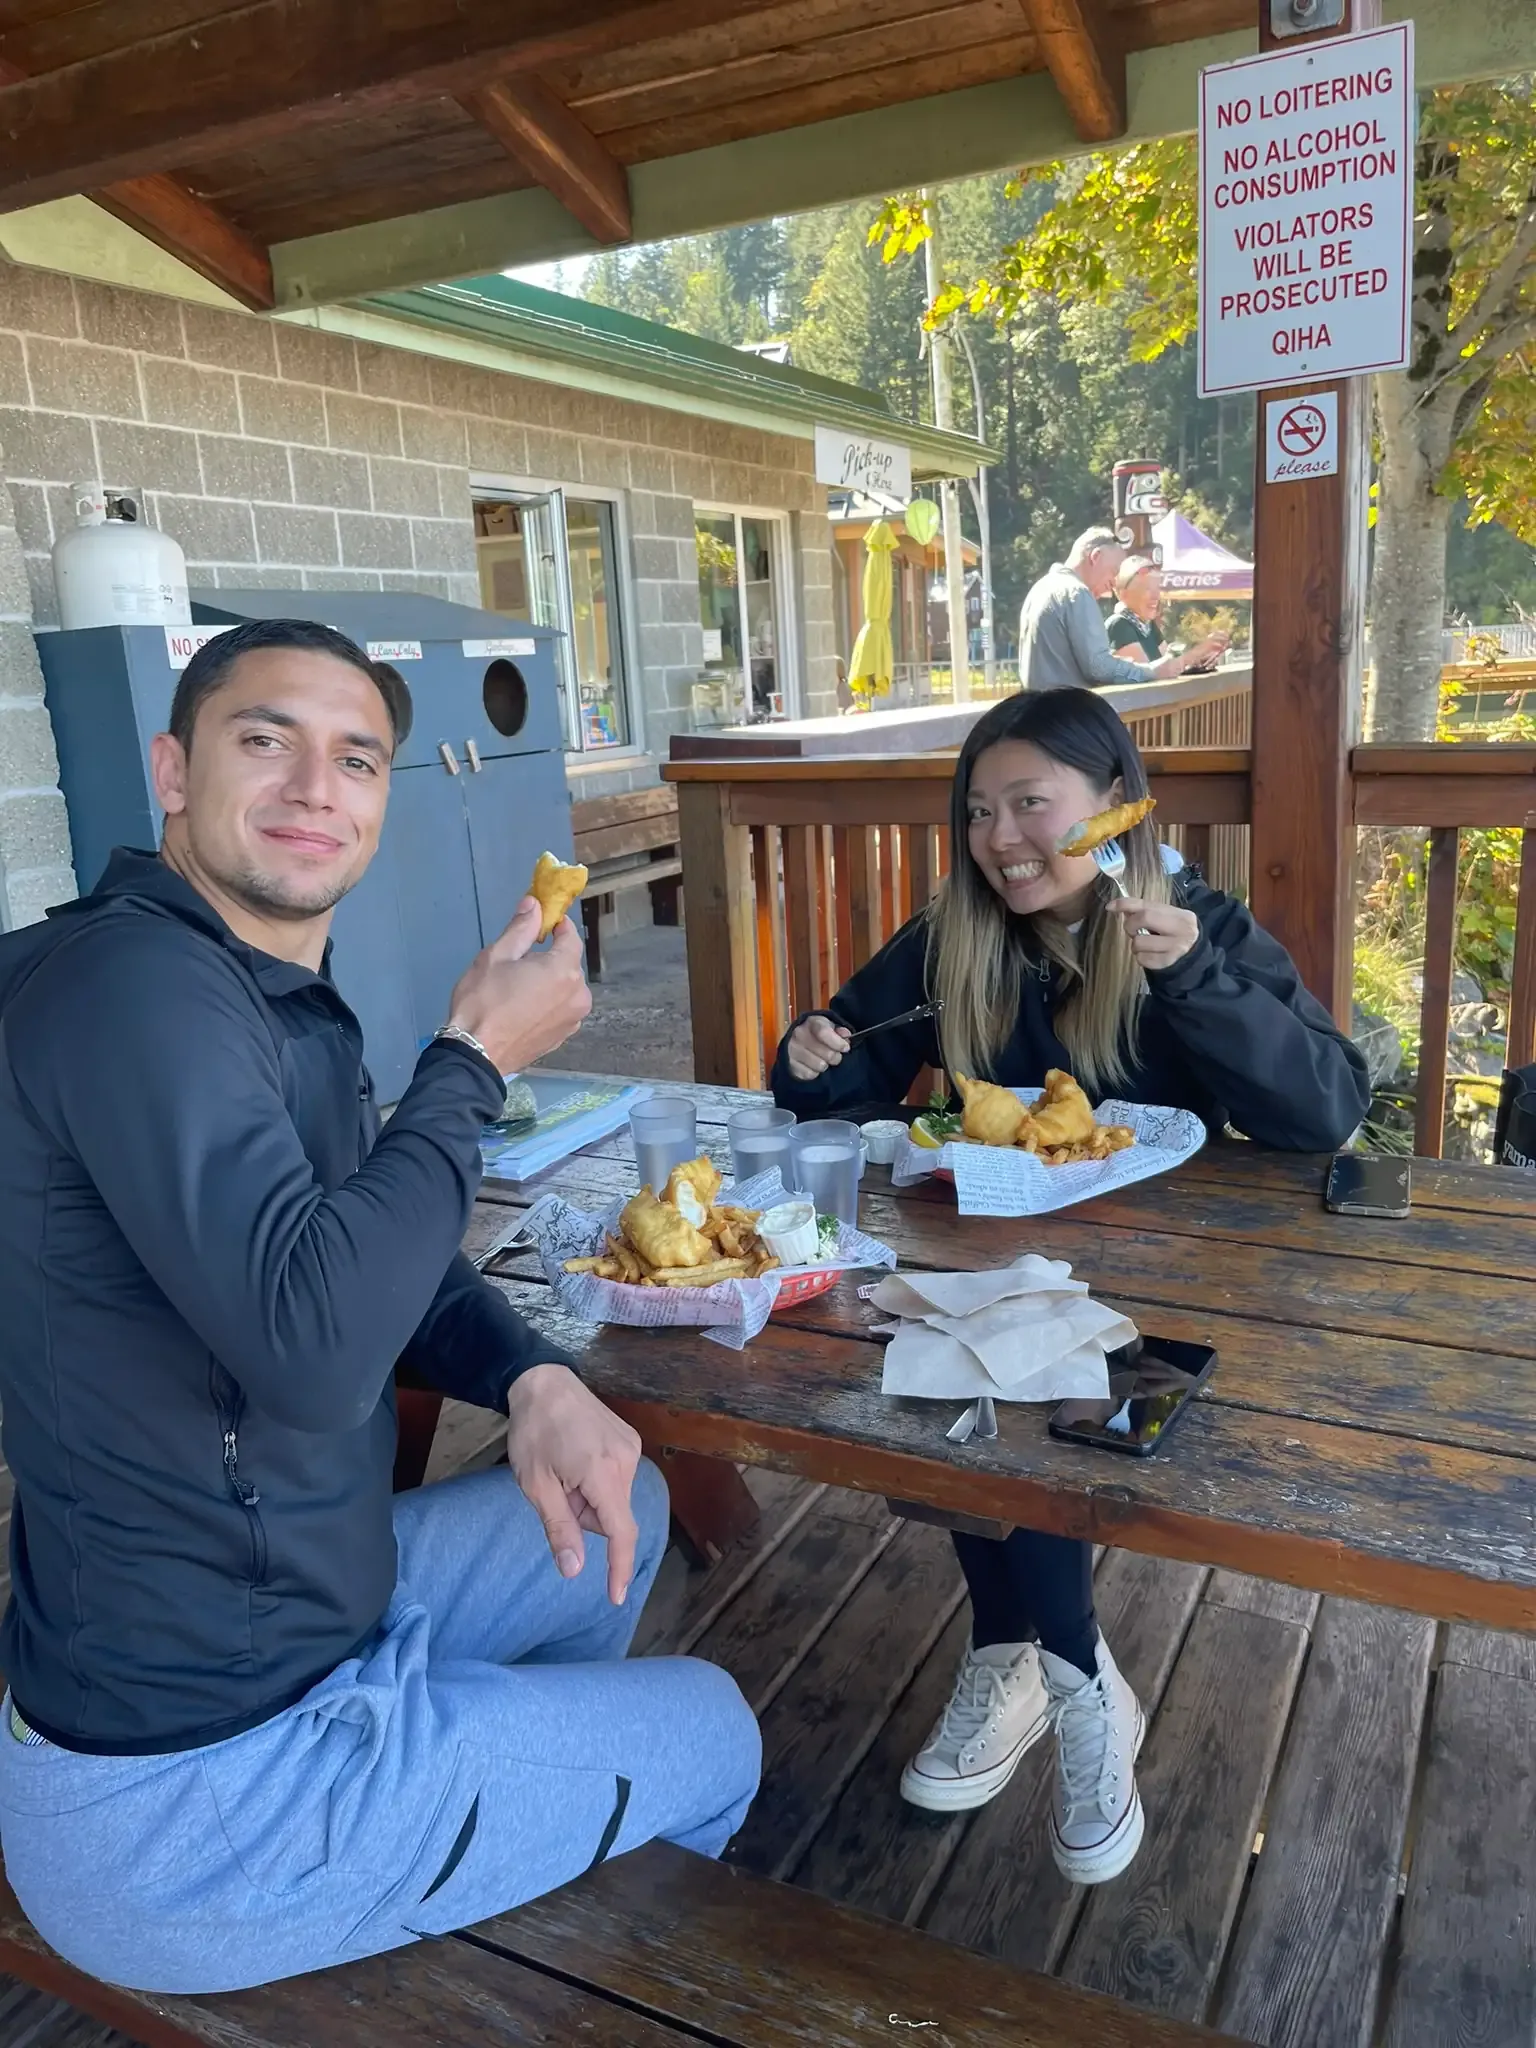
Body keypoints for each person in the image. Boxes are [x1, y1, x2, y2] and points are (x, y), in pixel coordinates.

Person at [0, 618, 761, 1995]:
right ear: (172, 771)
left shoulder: (240, 986)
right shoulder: (132, 987)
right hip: (194, 1791)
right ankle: (541, 1967)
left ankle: (494, 1830)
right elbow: (316, 1344)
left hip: (306, 1622)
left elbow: (365, 1255)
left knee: (622, 1508)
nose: (315, 787)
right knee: (716, 1727)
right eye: (264, 740)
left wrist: (533, 1376)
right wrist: (471, 1058)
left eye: (354, 758)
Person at [770, 686, 1369, 1888]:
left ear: (1112, 806)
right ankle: (1050, 1664)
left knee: (1009, 1372)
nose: (1001, 837)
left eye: (1031, 803)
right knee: (957, 1356)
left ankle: (1050, 1659)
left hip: (1172, 1298)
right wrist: (808, 1052)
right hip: (995, 1270)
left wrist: (1193, 976)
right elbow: (841, 1076)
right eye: (979, 809)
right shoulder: (957, 934)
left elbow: (1325, 1107)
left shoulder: (1192, 924)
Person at [1018, 528, 1225, 690]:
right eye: (1114, 571)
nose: (1113, 582)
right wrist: (1152, 672)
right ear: (1095, 557)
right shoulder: (1077, 593)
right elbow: (1098, 667)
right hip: (1066, 715)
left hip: (1040, 712)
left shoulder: (1041, 588)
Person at [1105, 555, 1169, 665]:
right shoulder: (1119, 625)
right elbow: (1146, 671)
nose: (1156, 596)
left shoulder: (1147, 625)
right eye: (1147, 588)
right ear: (1124, 593)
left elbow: (1169, 665)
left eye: (1157, 588)